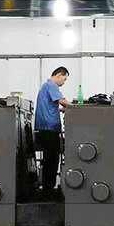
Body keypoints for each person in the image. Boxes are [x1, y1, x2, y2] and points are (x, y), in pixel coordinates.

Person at [35, 67, 72, 197]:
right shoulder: (51, 85)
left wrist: (60, 110)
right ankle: (48, 191)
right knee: (51, 160)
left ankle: (48, 189)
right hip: (49, 129)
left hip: (47, 128)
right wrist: (76, 108)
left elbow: (52, 105)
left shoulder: (46, 86)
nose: (64, 82)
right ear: (59, 75)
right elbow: (61, 101)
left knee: (50, 159)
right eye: (64, 79)